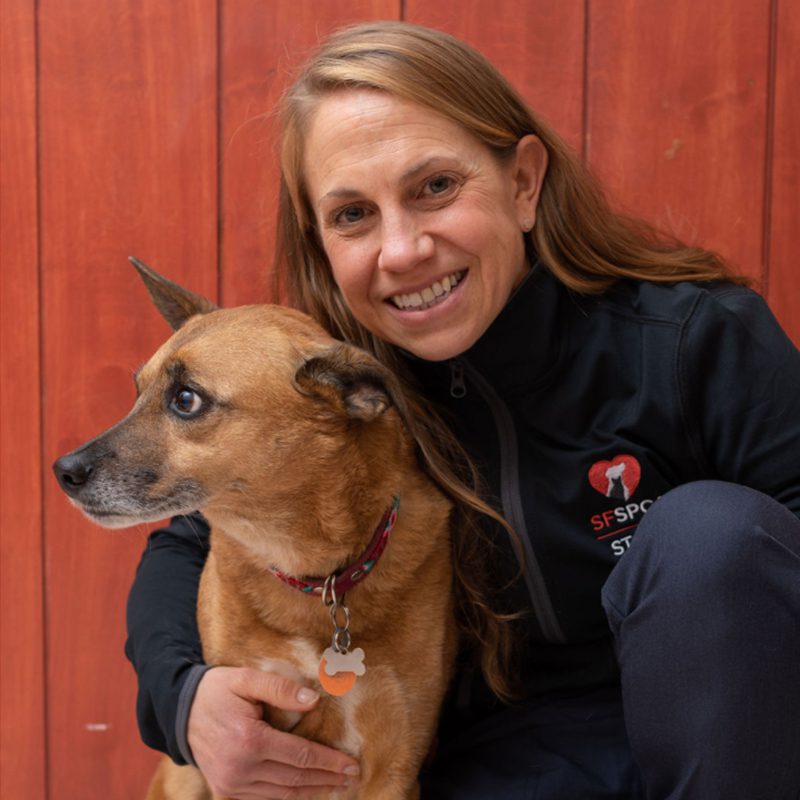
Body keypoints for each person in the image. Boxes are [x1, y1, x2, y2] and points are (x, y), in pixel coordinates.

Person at [125, 20, 800, 800]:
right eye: (353, 215)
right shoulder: (335, 390)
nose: (403, 249)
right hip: (503, 762)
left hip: (725, 746)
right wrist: (185, 702)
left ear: (522, 184)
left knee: (707, 535)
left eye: (435, 187)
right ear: (320, 244)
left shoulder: (693, 340)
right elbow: (188, 542)